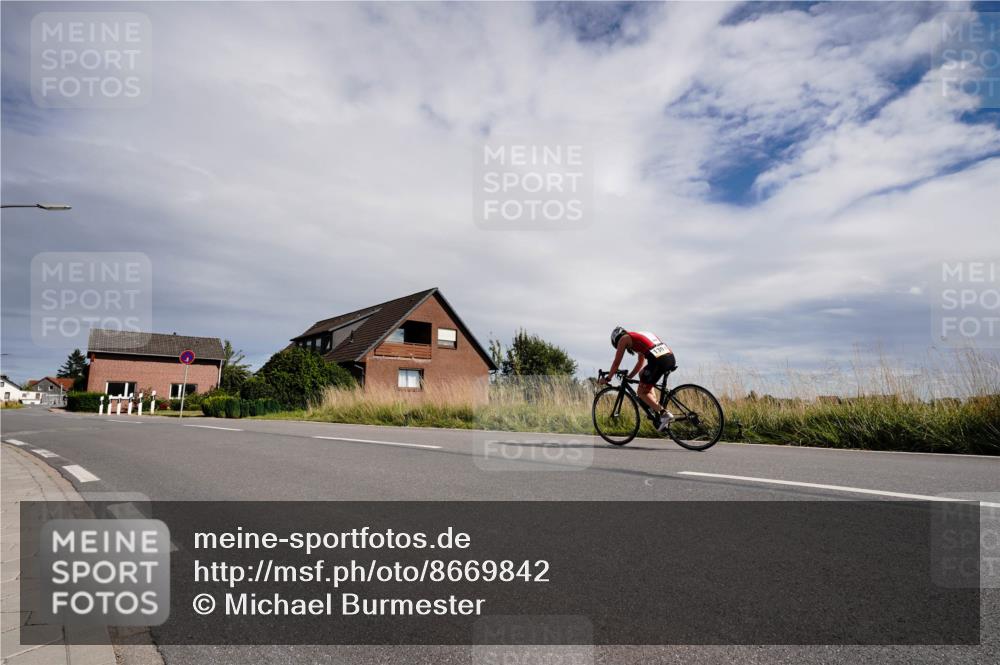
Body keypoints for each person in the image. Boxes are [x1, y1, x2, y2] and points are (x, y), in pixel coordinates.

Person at [599, 326, 676, 432]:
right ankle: (654, 406)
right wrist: (629, 377)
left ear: (616, 340)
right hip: (670, 358)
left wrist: (608, 378)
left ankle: (664, 413)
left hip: (658, 361)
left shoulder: (623, 339)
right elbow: (640, 362)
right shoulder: (637, 336)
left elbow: (616, 362)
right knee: (642, 374)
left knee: (641, 392)